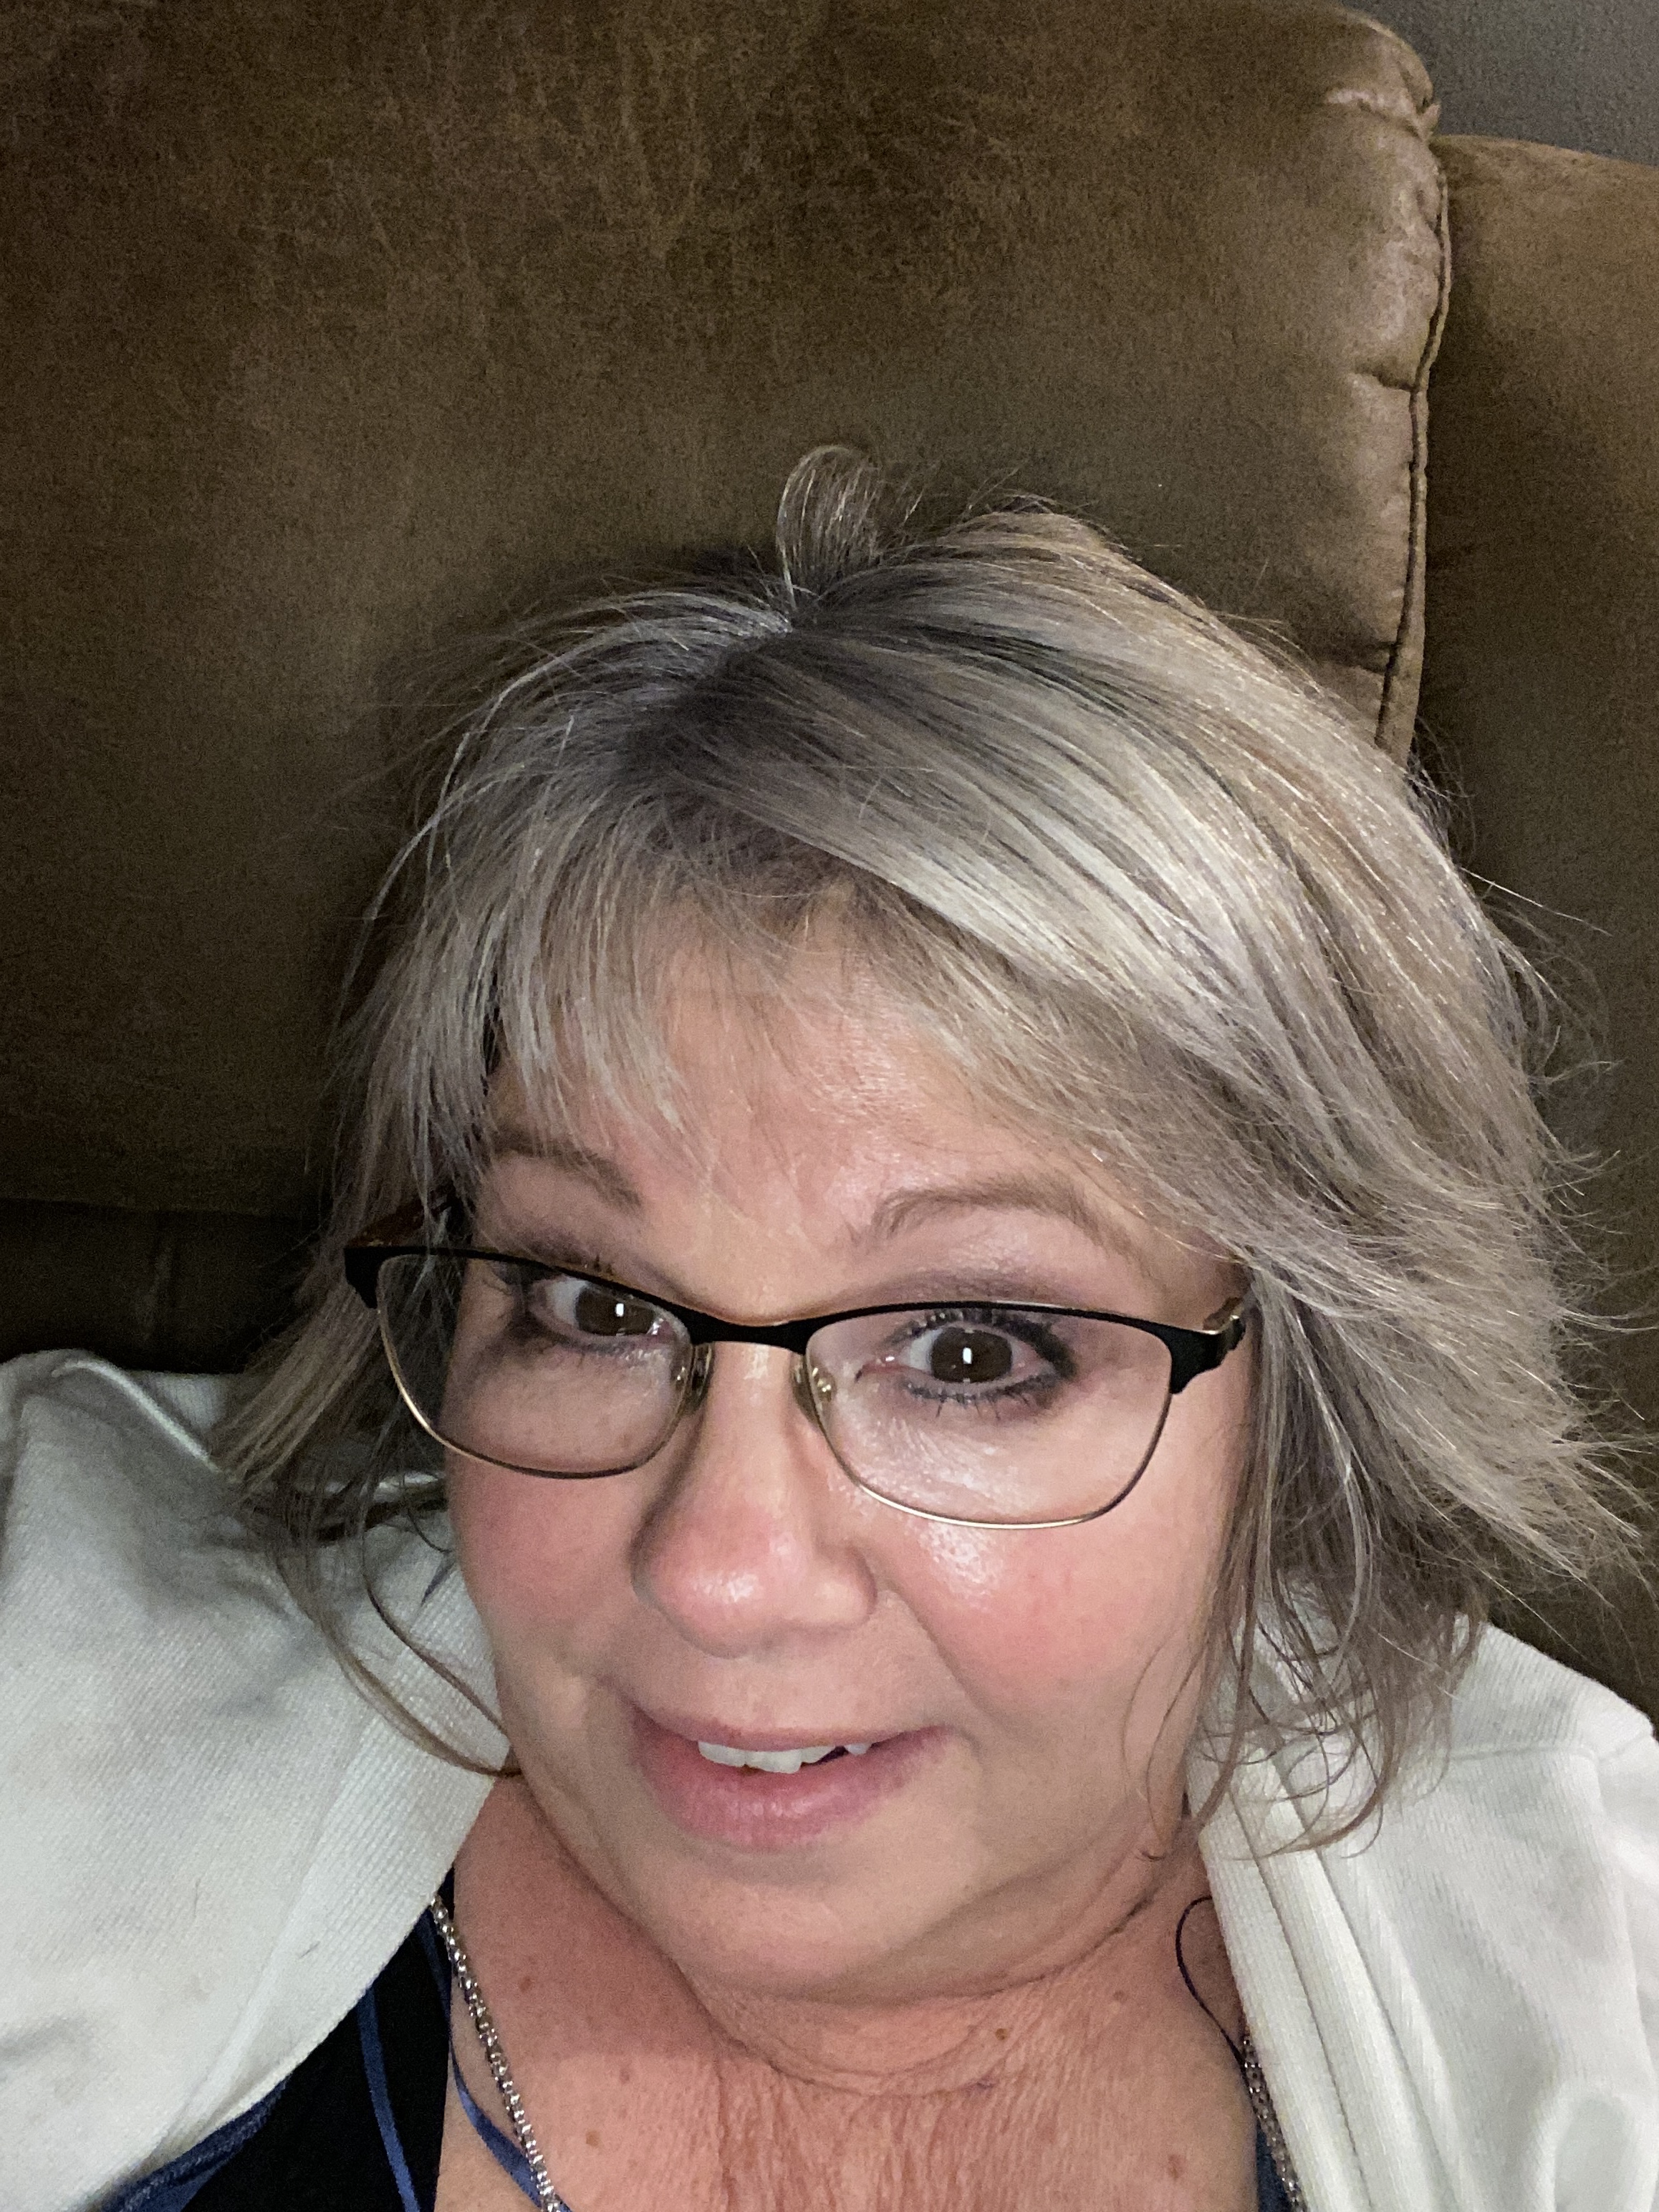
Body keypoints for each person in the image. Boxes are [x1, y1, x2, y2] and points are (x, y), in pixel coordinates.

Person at [4, 451, 1656, 2212]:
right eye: (592, 1304)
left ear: (1299, 1399)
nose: (720, 1570)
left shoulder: (1596, 1979)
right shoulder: (58, 1703)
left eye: (969, 1352)